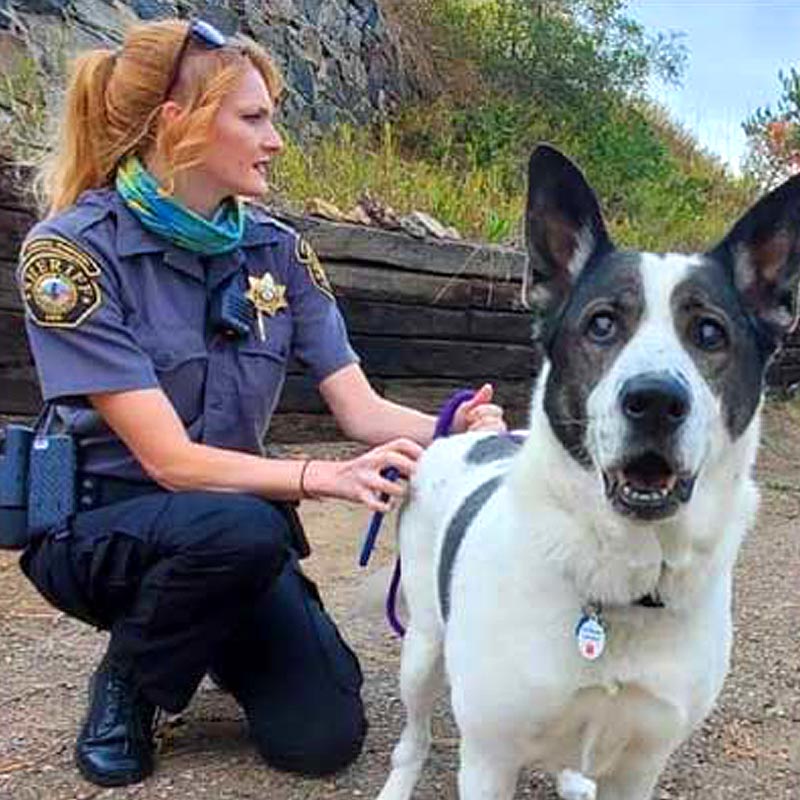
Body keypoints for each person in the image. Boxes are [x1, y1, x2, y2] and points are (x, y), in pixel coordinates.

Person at [15, 17, 505, 789]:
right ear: (177, 124)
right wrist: (327, 479)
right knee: (241, 528)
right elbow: (170, 463)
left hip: (228, 535)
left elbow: (361, 410)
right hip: (100, 529)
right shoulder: (72, 252)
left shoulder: (278, 251)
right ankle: (129, 684)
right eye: (253, 118)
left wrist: (463, 429)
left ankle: (199, 626)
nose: (275, 138)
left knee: (323, 737)